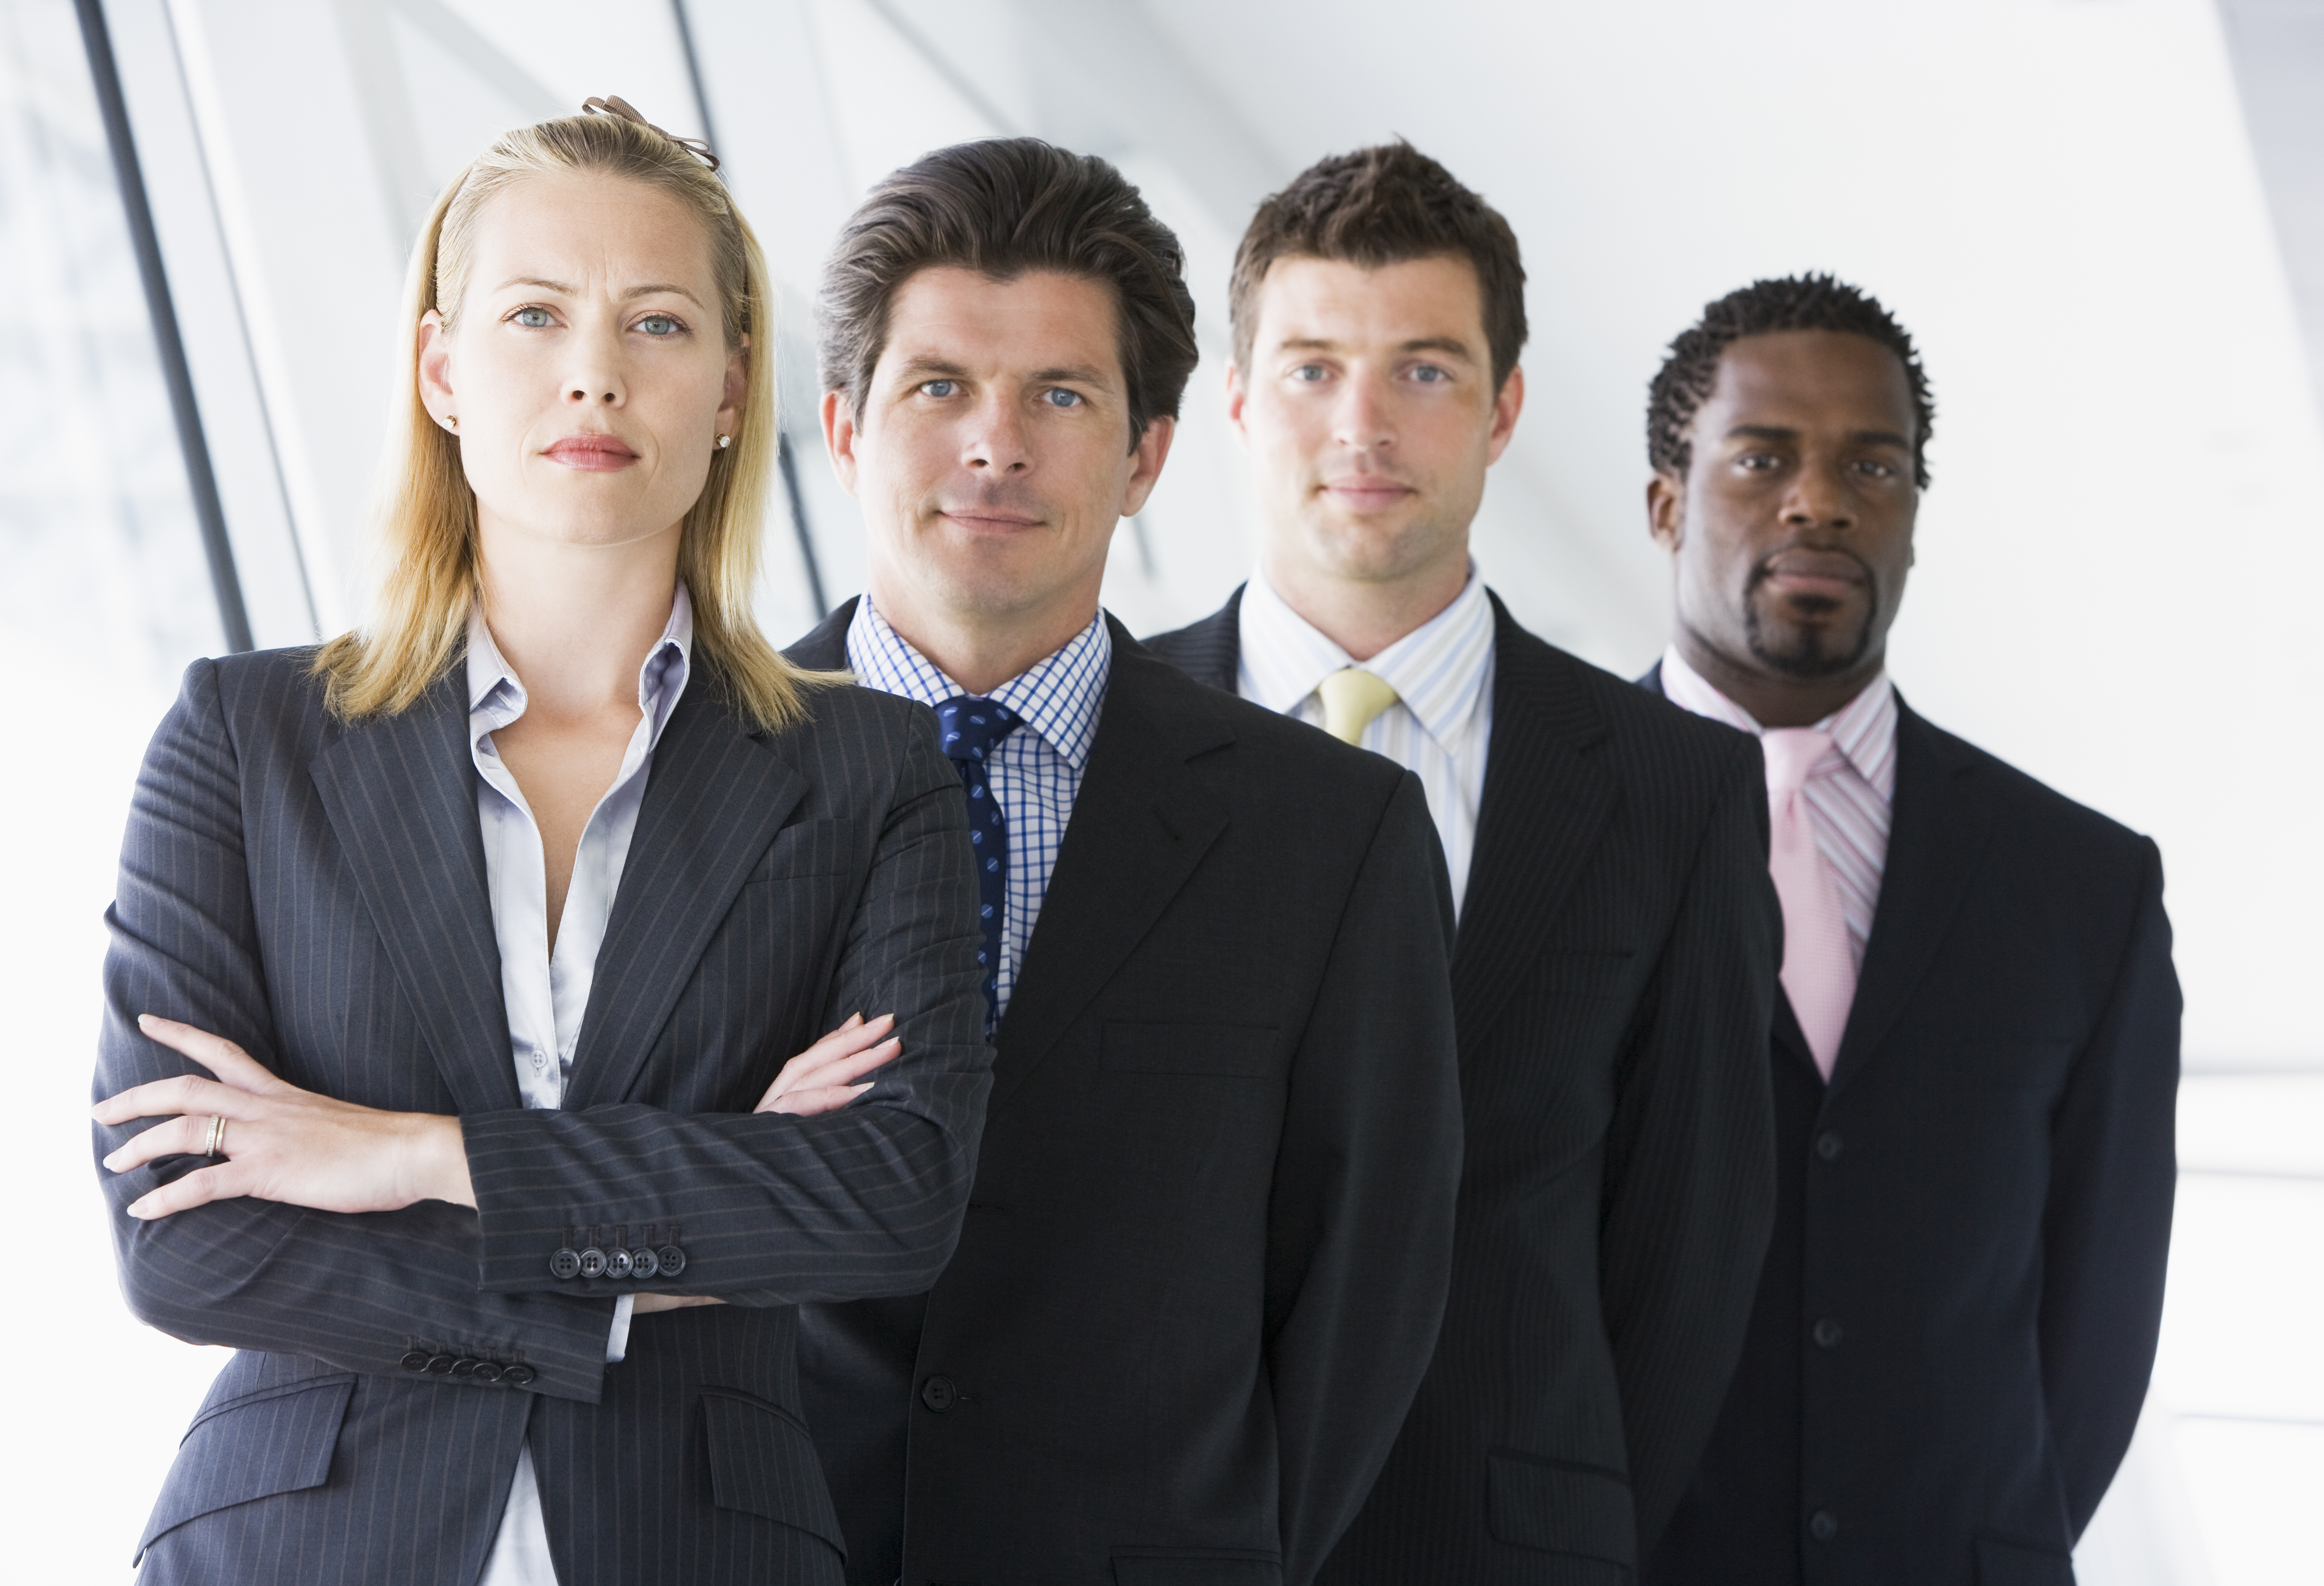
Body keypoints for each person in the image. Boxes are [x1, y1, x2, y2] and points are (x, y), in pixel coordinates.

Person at [90, 102, 994, 1586]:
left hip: (704, 1544)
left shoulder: (868, 769)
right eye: (534, 315)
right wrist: (686, 1233)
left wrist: (411, 1157)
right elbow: (185, 1238)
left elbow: (888, 1203)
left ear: (729, 388)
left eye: (655, 322)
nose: (593, 370)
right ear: (442, 370)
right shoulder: (246, 740)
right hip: (304, 1539)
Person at [788, 136, 1465, 1586]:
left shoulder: (1332, 841)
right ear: (843, 426)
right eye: (938, 389)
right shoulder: (668, 779)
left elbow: (1366, 1294)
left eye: (1061, 395)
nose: (995, 444)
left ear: (1149, 454)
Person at [1145, 142, 1779, 1584]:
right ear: (1239, 403)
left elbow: (1689, 1256)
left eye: (1423, 372)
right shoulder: (1107, 742)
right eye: (1312, 369)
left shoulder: (1674, 787)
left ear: (1501, 412)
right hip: (1155, 1533)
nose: (1361, 424)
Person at [1634, 274, 2182, 1586]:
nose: (1820, 500)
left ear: (1915, 519)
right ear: (1668, 503)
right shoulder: (1526, 825)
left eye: (1871, 465)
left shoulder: (2083, 889)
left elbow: (2097, 1328)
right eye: (1763, 458)